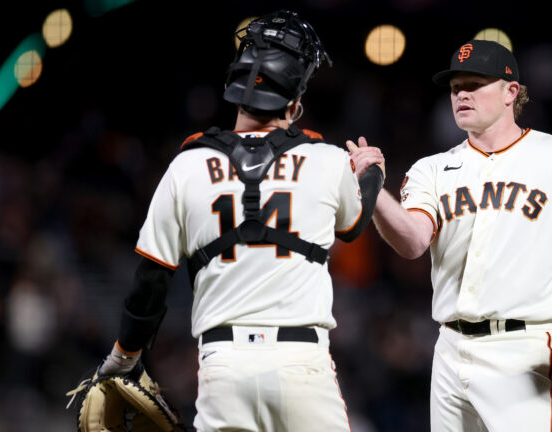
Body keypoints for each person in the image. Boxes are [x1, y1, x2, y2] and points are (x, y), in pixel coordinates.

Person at [347, 39, 552, 431]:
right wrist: (375, 193)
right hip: (448, 347)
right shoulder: (433, 168)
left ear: (511, 91)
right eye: (455, 86)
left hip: (523, 346)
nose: (461, 93)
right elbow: (412, 242)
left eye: (474, 84)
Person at [97, 10, 384, 431]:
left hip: (223, 366)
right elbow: (355, 226)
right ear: (296, 103)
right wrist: (372, 173)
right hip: (301, 361)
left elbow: (151, 281)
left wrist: (124, 356)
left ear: (234, 89)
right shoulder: (328, 160)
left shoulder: (188, 164)